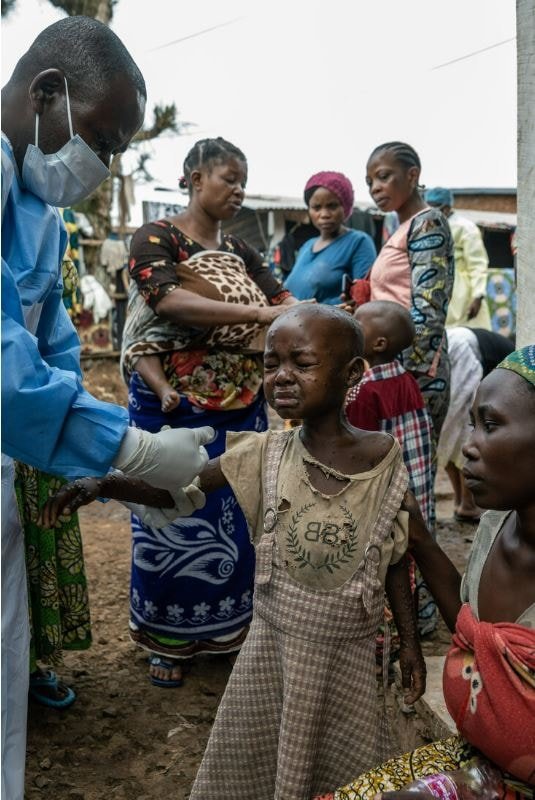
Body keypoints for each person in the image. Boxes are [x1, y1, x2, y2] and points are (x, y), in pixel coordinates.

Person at [44, 304, 426, 799]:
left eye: (302, 364)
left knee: (339, 772)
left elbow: (396, 557)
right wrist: (103, 484)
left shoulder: (384, 460)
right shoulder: (264, 452)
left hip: (346, 663)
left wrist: (411, 644)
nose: (282, 377)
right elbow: (175, 489)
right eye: (272, 364)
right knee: (254, 765)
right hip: (270, 656)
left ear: (352, 372)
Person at [1, 18, 213, 800]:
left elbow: (50, 345)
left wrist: (94, 455)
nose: (105, 163)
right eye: (101, 136)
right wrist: (128, 449)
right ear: (46, 93)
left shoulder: (39, 216)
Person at [315, 344, 535, 800]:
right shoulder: (498, 521)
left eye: (490, 425)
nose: (468, 446)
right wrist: (417, 538)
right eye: (471, 422)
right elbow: (475, 629)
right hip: (476, 760)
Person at [120, 137, 296, 686]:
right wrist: (254, 311)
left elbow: (282, 302)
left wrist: (301, 314)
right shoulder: (157, 237)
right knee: (169, 509)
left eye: (243, 179)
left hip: (241, 406)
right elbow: (167, 300)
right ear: (195, 178)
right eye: (228, 178)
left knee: (237, 512)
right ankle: (168, 635)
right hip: (170, 402)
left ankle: (228, 629)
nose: (238, 189)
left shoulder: (241, 252)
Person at [346, 301, 435, 634]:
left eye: (357, 324)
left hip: (384, 489)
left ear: (378, 343)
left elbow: (356, 449)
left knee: (385, 551)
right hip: (416, 482)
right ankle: (421, 615)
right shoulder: (405, 378)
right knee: (415, 544)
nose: (350, 324)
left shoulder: (363, 390)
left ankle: (386, 624)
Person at [365, 142, 454, 439]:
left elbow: (429, 309)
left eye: (383, 176)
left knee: (411, 469)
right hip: (391, 365)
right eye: (370, 182)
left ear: (412, 175)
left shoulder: (428, 223)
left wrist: (403, 375)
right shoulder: (399, 229)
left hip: (415, 371)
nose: (375, 188)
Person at [438, 326, 514, 523]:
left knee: (454, 434)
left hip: (457, 348)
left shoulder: (464, 346)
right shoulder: (512, 356)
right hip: (467, 357)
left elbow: (462, 409)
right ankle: (465, 503)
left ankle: (465, 503)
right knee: (455, 435)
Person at [283, 170, 377, 304]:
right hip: (293, 321)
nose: (324, 214)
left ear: (345, 207)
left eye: (332, 206)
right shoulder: (307, 246)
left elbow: (364, 298)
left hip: (329, 323)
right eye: (316, 207)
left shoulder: (358, 242)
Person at [425, 187, 492, 330]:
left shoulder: (465, 228)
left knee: (466, 336)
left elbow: (478, 264)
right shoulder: (426, 227)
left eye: (435, 209)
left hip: (462, 292)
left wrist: (478, 296)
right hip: (434, 289)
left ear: (447, 208)